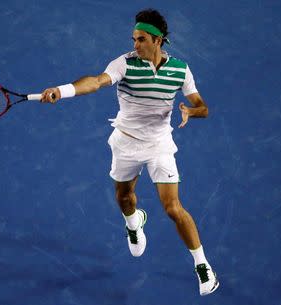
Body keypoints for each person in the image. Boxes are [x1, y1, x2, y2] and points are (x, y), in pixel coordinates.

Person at [40, 8, 219, 296]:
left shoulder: (180, 70)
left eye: (142, 39)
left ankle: (203, 266)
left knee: (173, 208)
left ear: (158, 40)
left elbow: (203, 106)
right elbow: (97, 81)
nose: (135, 45)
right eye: (134, 39)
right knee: (125, 199)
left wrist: (191, 111)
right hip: (126, 142)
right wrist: (63, 90)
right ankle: (134, 221)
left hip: (159, 144)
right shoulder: (124, 63)